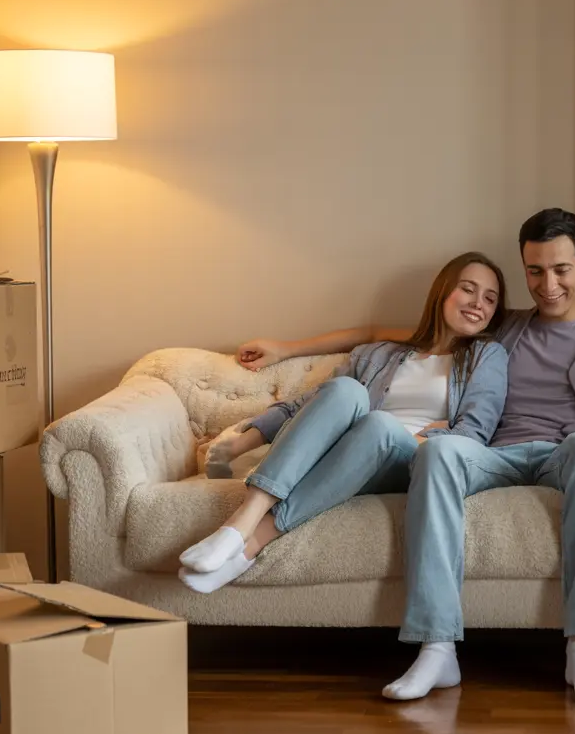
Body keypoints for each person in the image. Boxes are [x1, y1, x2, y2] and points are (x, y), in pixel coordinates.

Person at [237, 209, 575, 706]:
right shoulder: (504, 327)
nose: (548, 285)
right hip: (492, 456)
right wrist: (285, 349)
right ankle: (437, 647)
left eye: (561, 269)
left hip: (569, 456)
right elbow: (385, 332)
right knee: (441, 451)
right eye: (535, 271)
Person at [177, 251, 509, 595]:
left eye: (490, 299)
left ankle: (251, 542)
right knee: (346, 390)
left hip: (409, 461)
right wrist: (244, 440)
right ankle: (240, 523)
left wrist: (428, 438)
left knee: (378, 425)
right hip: (349, 448)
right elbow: (311, 404)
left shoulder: (488, 356)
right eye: (468, 289)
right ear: (443, 291)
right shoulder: (380, 353)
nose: (478, 304)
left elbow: (472, 434)